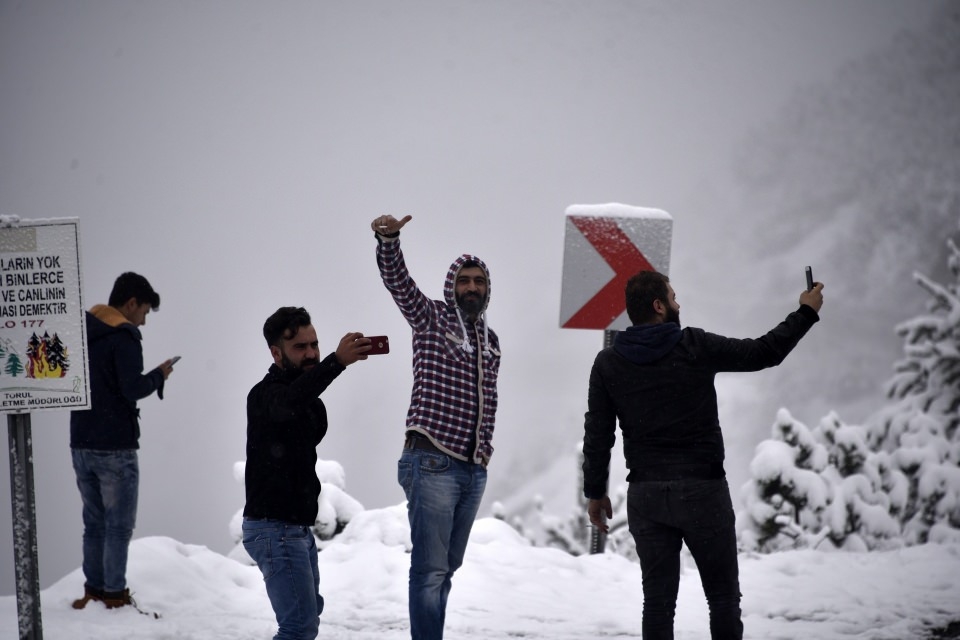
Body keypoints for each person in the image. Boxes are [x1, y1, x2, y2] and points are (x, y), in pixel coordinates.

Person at [582, 270, 824, 640]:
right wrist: (805, 312)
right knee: (723, 598)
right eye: (674, 297)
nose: (680, 304)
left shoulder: (608, 363)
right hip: (702, 490)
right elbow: (763, 352)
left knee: (658, 604)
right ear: (659, 306)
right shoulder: (693, 345)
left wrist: (595, 492)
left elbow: (598, 435)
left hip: (646, 496)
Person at [371, 214, 501, 640]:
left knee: (447, 569)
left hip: (471, 467)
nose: (472, 288)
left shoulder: (491, 340)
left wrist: (482, 456)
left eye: (479, 281)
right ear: (452, 286)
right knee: (429, 571)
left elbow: (490, 400)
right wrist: (389, 240)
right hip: (431, 459)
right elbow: (398, 283)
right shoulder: (432, 318)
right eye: (464, 281)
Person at [242, 306, 371, 640]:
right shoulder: (265, 396)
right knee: (299, 627)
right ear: (276, 352)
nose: (312, 353)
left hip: (294, 529)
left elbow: (301, 403)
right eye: (300, 347)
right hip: (274, 529)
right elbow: (287, 402)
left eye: (314, 344)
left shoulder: (306, 398)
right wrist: (336, 362)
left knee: (308, 614)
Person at [70, 272, 176, 610]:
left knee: (93, 522)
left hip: (81, 440)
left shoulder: (82, 330)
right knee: (118, 526)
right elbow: (131, 388)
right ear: (131, 303)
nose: (143, 321)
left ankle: (94, 590)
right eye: (144, 312)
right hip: (115, 445)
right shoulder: (124, 337)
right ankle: (114, 595)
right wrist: (159, 375)